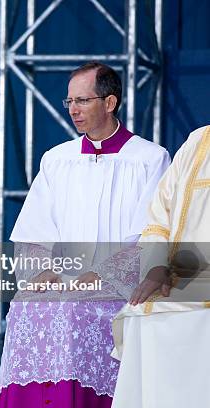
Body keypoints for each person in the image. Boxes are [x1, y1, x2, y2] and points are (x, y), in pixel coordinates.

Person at [0, 62, 170, 407]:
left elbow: (151, 233)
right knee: (24, 308)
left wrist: (96, 277)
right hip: (63, 284)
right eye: (69, 101)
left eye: (83, 101)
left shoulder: (149, 159)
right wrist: (44, 275)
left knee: (74, 309)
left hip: (117, 291)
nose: (73, 110)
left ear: (110, 102)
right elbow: (33, 233)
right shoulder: (57, 160)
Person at [111, 125, 210, 408]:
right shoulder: (198, 140)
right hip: (181, 278)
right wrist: (156, 266)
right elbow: (158, 217)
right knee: (141, 312)